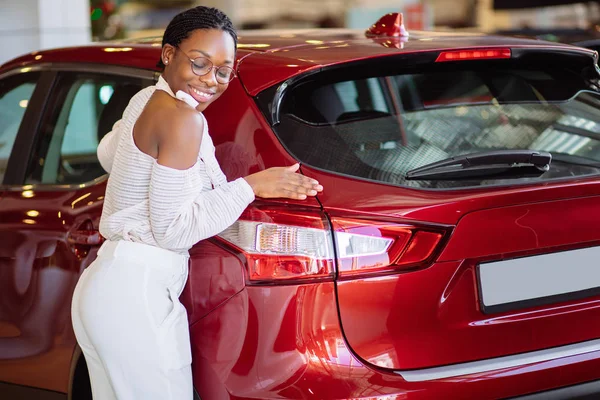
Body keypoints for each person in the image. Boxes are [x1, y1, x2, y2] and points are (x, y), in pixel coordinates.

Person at [70, 6, 323, 400]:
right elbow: (173, 230)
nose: (211, 80)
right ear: (168, 54)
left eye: (223, 71)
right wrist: (252, 186)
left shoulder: (146, 100)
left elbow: (108, 153)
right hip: (137, 292)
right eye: (200, 63)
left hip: (106, 289)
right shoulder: (183, 120)